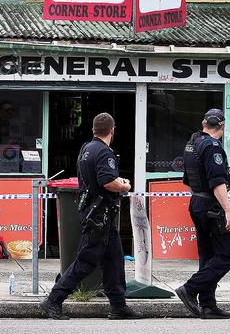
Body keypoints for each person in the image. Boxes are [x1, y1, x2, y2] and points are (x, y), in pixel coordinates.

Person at [40, 113, 142, 320]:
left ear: (93, 130)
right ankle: (53, 299)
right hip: (100, 215)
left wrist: (114, 180)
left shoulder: (86, 149)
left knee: (114, 261)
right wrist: (124, 185)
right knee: (86, 261)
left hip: (98, 214)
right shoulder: (105, 152)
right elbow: (106, 181)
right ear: (112, 130)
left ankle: (118, 306)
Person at [176, 109, 230, 319]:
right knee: (229, 251)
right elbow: (218, 183)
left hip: (197, 202)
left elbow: (188, 181)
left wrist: (200, 201)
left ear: (204, 123)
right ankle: (190, 288)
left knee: (208, 255)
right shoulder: (212, 147)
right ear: (222, 126)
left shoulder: (191, 144)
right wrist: (228, 211)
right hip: (212, 206)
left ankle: (208, 305)